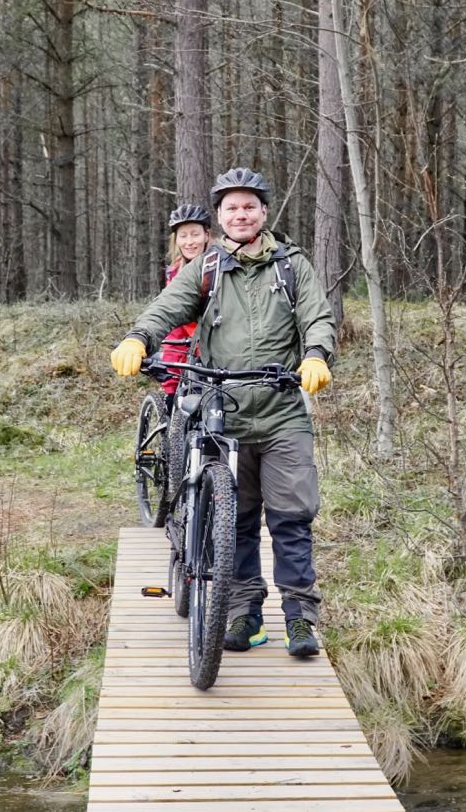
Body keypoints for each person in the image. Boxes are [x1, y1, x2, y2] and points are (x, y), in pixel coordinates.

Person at [110, 168, 336, 657]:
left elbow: (317, 316)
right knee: (235, 520)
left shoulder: (291, 266)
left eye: (249, 206)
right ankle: (244, 614)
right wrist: (137, 336)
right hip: (224, 410)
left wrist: (316, 354)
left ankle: (300, 619)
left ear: (263, 213)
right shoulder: (207, 266)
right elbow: (168, 305)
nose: (241, 214)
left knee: (292, 519)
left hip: (280, 412)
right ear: (220, 216)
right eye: (232, 207)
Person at [158, 204, 211, 402]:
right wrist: (170, 384)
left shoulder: (224, 267)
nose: (189, 242)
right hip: (189, 351)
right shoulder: (174, 274)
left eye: (195, 234)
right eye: (183, 236)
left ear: (207, 235)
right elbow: (175, 327)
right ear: (176, 240)